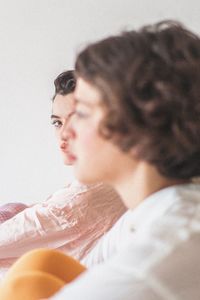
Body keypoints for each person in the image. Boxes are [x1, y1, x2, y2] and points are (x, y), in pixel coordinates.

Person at [1, 20, 200, 300]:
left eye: (81, 113)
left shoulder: (146, 272)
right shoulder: (147, 215)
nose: (66, 133)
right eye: (58, 121)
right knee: (40, 266)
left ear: (136, 126)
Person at [0, 70, 125, 278]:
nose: (64, 134)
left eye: (78, 120)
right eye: (57, 122)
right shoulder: (109, 182)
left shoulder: (86, 194)